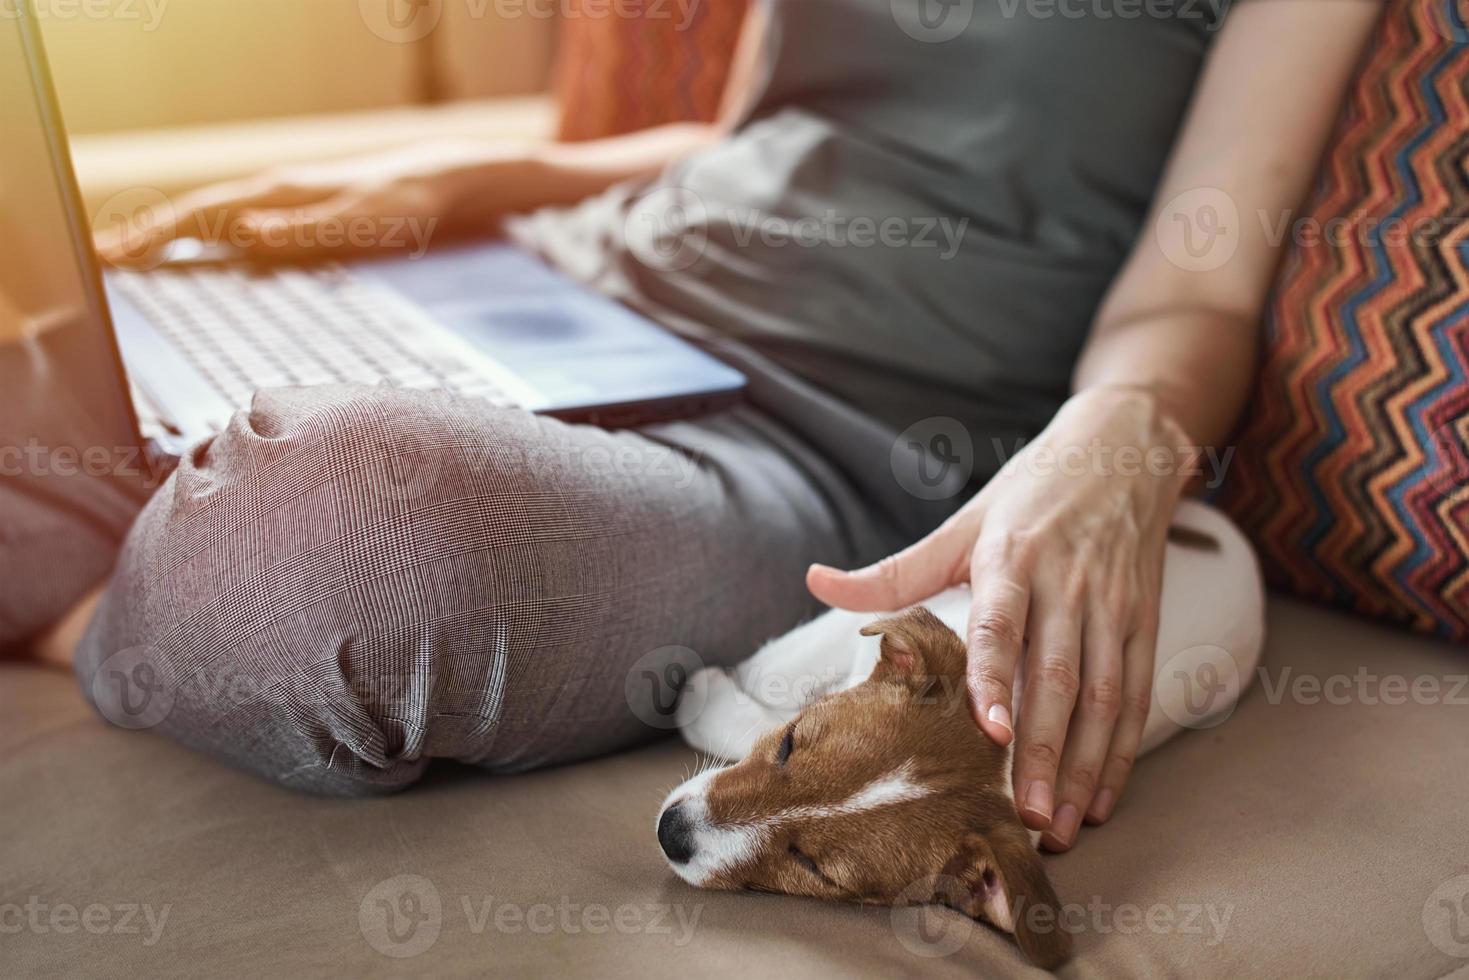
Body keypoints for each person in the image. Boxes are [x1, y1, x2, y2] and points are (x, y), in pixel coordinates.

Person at [11, 0, 1378, 852]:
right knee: (57, 330)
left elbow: (1200, 279)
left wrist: (1115, 437)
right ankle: (159, 574)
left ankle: (95, 593)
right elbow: (752, 135)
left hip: (822, 440)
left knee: (342, 528)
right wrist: (453, 182)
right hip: (567, 282)